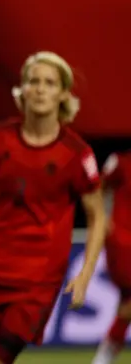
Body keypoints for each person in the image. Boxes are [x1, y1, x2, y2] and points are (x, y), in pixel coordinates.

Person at [0, 51, 107, 364]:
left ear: (62, 94)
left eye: (50, 83)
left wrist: (85, 274)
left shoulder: (77, 154)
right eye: (34, 81)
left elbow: (98, 217)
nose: (41, 88)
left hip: (38, 281)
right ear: (23, 90)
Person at [91, 151, 131, 364]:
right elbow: (98, 189)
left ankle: (103, 358)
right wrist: (102, 218)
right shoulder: (121, 163)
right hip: (123, 243)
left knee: (127, 306)